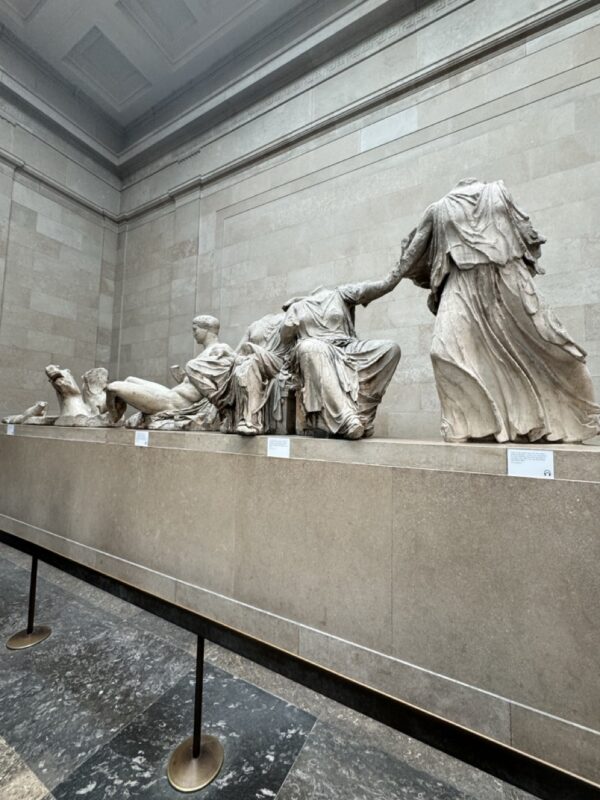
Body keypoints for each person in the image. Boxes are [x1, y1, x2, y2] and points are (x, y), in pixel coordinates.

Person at [398, 178, 600, 442]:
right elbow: (409, 259)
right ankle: (473, 425)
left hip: (507, 277)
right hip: (461, 283)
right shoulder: (438, 209)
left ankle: (575, 416)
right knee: (443, 352)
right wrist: (378, 286)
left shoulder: (499, 192)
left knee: (550, 344)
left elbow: (526, 233)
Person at [280, 267, 402, 439]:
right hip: (314, 350)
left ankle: (363, 415)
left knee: (390, 349)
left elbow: (380, 286)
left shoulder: (340, 294)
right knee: (311, 347)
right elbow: (285, 340)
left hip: (346, 347)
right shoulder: (296, 307)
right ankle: (346, 418)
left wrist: (399, 272)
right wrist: (288, 327)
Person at [107, 315, 235, 425]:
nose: (193, 334)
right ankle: (104, 412)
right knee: (129, 379)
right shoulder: (207, 352)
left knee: (113, 387)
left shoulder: (220, 349)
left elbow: (235, 363)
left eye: (195, 329)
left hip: (174, 404)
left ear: (206, 329)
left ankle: (111, 418)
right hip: (172, 395)